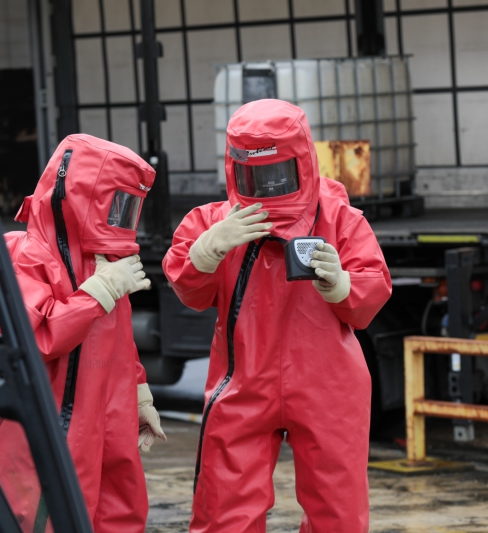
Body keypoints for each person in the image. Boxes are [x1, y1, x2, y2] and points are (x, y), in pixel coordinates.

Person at [162, 99, 392, 533]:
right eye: (255, 175)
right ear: (235, 168)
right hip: (244, 385)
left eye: (277, 174)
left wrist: (343, 286)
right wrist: (208, 250)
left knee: (338, 513)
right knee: (225, 511)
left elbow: (373, 286)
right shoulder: (216, 223)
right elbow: (189, 288)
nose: (266, 187)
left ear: (303, 162)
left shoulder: (339, 217)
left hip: (328, 386)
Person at [0, 134, 165, 532]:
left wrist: (138, 394)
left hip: (106, 426)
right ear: (81, 197)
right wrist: (95, 295)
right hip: (51, 432)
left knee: (121, 513)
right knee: (47, 520)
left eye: (129, 207)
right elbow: (19, 339)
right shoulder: (29, 258)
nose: (121, 218)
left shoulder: (106, 261)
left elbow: (119, 341)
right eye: (116, 204)